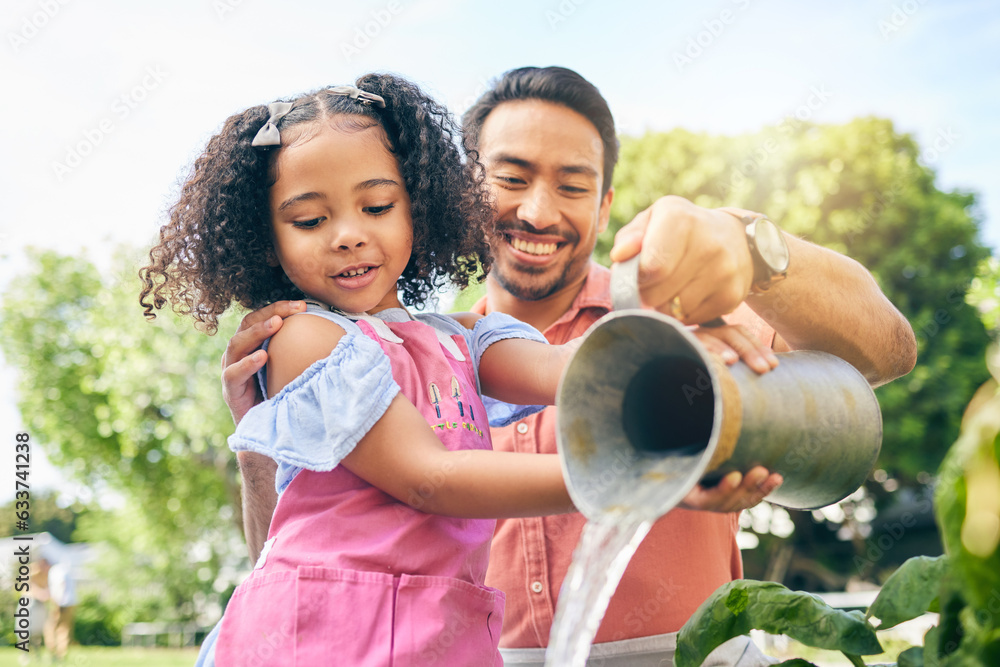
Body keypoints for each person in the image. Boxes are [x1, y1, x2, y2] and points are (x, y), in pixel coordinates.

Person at [221, 67, 917, 665]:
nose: (538, 209)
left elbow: (888, 350)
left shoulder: (673, 308)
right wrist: (262, 434)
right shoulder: (332, 345)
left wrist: (750, 247)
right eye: (512, 177)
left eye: (573, 185)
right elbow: (382, 504)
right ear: (465, 191)